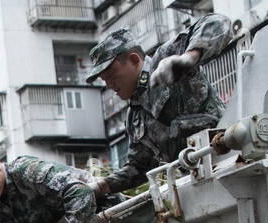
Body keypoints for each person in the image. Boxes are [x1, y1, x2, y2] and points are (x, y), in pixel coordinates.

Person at [87, 15, 234, 197]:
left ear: (134, 60)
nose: (109, 85)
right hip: (200, 186)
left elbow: (219, 23)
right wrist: (101, 187)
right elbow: (138, 168)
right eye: (104, 80)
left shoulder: (166, 59)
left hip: (233, 159)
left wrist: (189, 57)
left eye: (111, 75)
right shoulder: (135, 118)